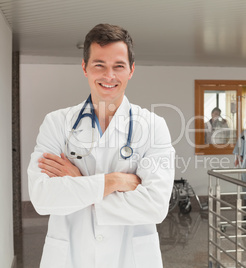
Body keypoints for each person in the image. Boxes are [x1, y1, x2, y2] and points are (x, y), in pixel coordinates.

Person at [27, 23, 175, 268]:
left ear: (131, 70)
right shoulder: (57, 123)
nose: (109, 76)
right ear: (85, 68)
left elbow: (155, 207)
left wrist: (78, 181)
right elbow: (43, 200)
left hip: (132, 258)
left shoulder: (153, 125)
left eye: (119, 66)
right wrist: (114, 181)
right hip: (70, 258)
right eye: (99, 65)